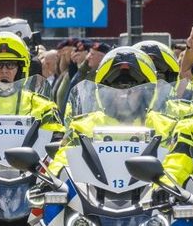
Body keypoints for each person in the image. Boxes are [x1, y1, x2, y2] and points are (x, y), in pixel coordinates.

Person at [48, 46, 162, 176]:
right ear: (102, 92)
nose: (124, 94)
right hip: (92, 193)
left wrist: (165, 184)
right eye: (116, 87)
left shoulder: (162, 125)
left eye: (133, 88)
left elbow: (174, 160)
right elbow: (65, 156)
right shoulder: (83, 126)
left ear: (147, 94)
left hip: (149, 193)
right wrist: (53, 176)